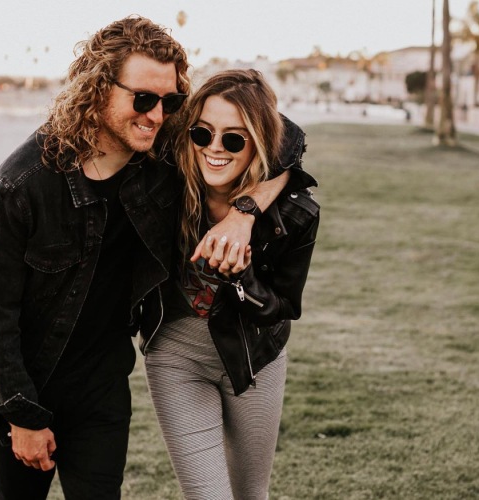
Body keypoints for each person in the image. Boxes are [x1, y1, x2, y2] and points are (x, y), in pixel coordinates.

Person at [0, 17, 298, 500]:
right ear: (97, 89)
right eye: (143, 99)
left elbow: (285, 141)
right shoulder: (22, 185)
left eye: (171, 101)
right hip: (20, 381)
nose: (157, 115)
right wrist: (21, 413)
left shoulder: (159, 155)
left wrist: (243, 214)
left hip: (100, 385)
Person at [142, 69, 319, 499]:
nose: (214, 149)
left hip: (255, 358)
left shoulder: (296, 214)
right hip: (175, 357)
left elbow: (281, 307)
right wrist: (245, 210)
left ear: (257, 144)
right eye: (203, 133)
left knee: (250, 494)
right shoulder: (169, 177)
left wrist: (241, 274)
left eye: (234, 139)